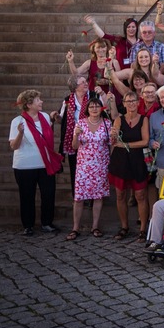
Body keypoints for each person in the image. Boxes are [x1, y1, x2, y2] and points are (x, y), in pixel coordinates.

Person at [10, 89, 61, 237]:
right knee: (27, 196)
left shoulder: (44, 116)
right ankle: (28, 225)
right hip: (24, 166)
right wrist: (20, 133)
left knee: (48, 194)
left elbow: (47, 137)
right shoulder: (17, 121)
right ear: (29, 104)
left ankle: (47, 223)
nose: (41, 102)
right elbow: (14, 146)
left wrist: (52, 118)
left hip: (45, 165)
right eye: (38, 100)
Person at [107, 91, 150, 240]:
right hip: (121, 161)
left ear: (138, 102)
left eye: (133, 101)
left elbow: (145, 141)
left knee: (140, 195)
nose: (131, 103)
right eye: (128, 101)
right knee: (120, 195)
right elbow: (114, 138)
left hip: (138, 161)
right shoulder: (119, 119)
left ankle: (143, 228)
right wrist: (113, 137)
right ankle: (124, 226)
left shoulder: (144, 119)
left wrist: (125, 144)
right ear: (124, 104)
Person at [67, 93, 110, 240]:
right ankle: (75, 227)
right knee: (79, 198)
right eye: (91, 106)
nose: (94, 108)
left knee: (98, 197)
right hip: (84, 166)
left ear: (101, 108)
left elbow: (111, 144)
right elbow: (74, 146)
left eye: (97, 106)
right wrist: (75, 135)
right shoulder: (81, 124)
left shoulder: (107, 123)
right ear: (87, 109)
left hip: (100, 165)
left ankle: (95, 226)